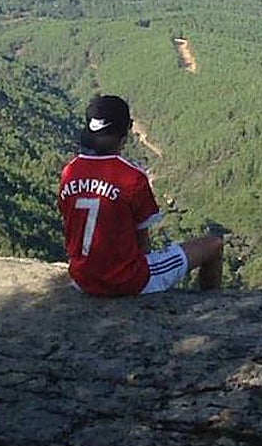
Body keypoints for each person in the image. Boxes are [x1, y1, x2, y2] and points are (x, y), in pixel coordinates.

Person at [58, 94, 223, 296]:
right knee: (214, 244)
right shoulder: (132, 177)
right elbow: (143, 243)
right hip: (125, 282)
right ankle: (214, 303)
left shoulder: (70, 172)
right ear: (124, 136)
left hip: (82, 279)